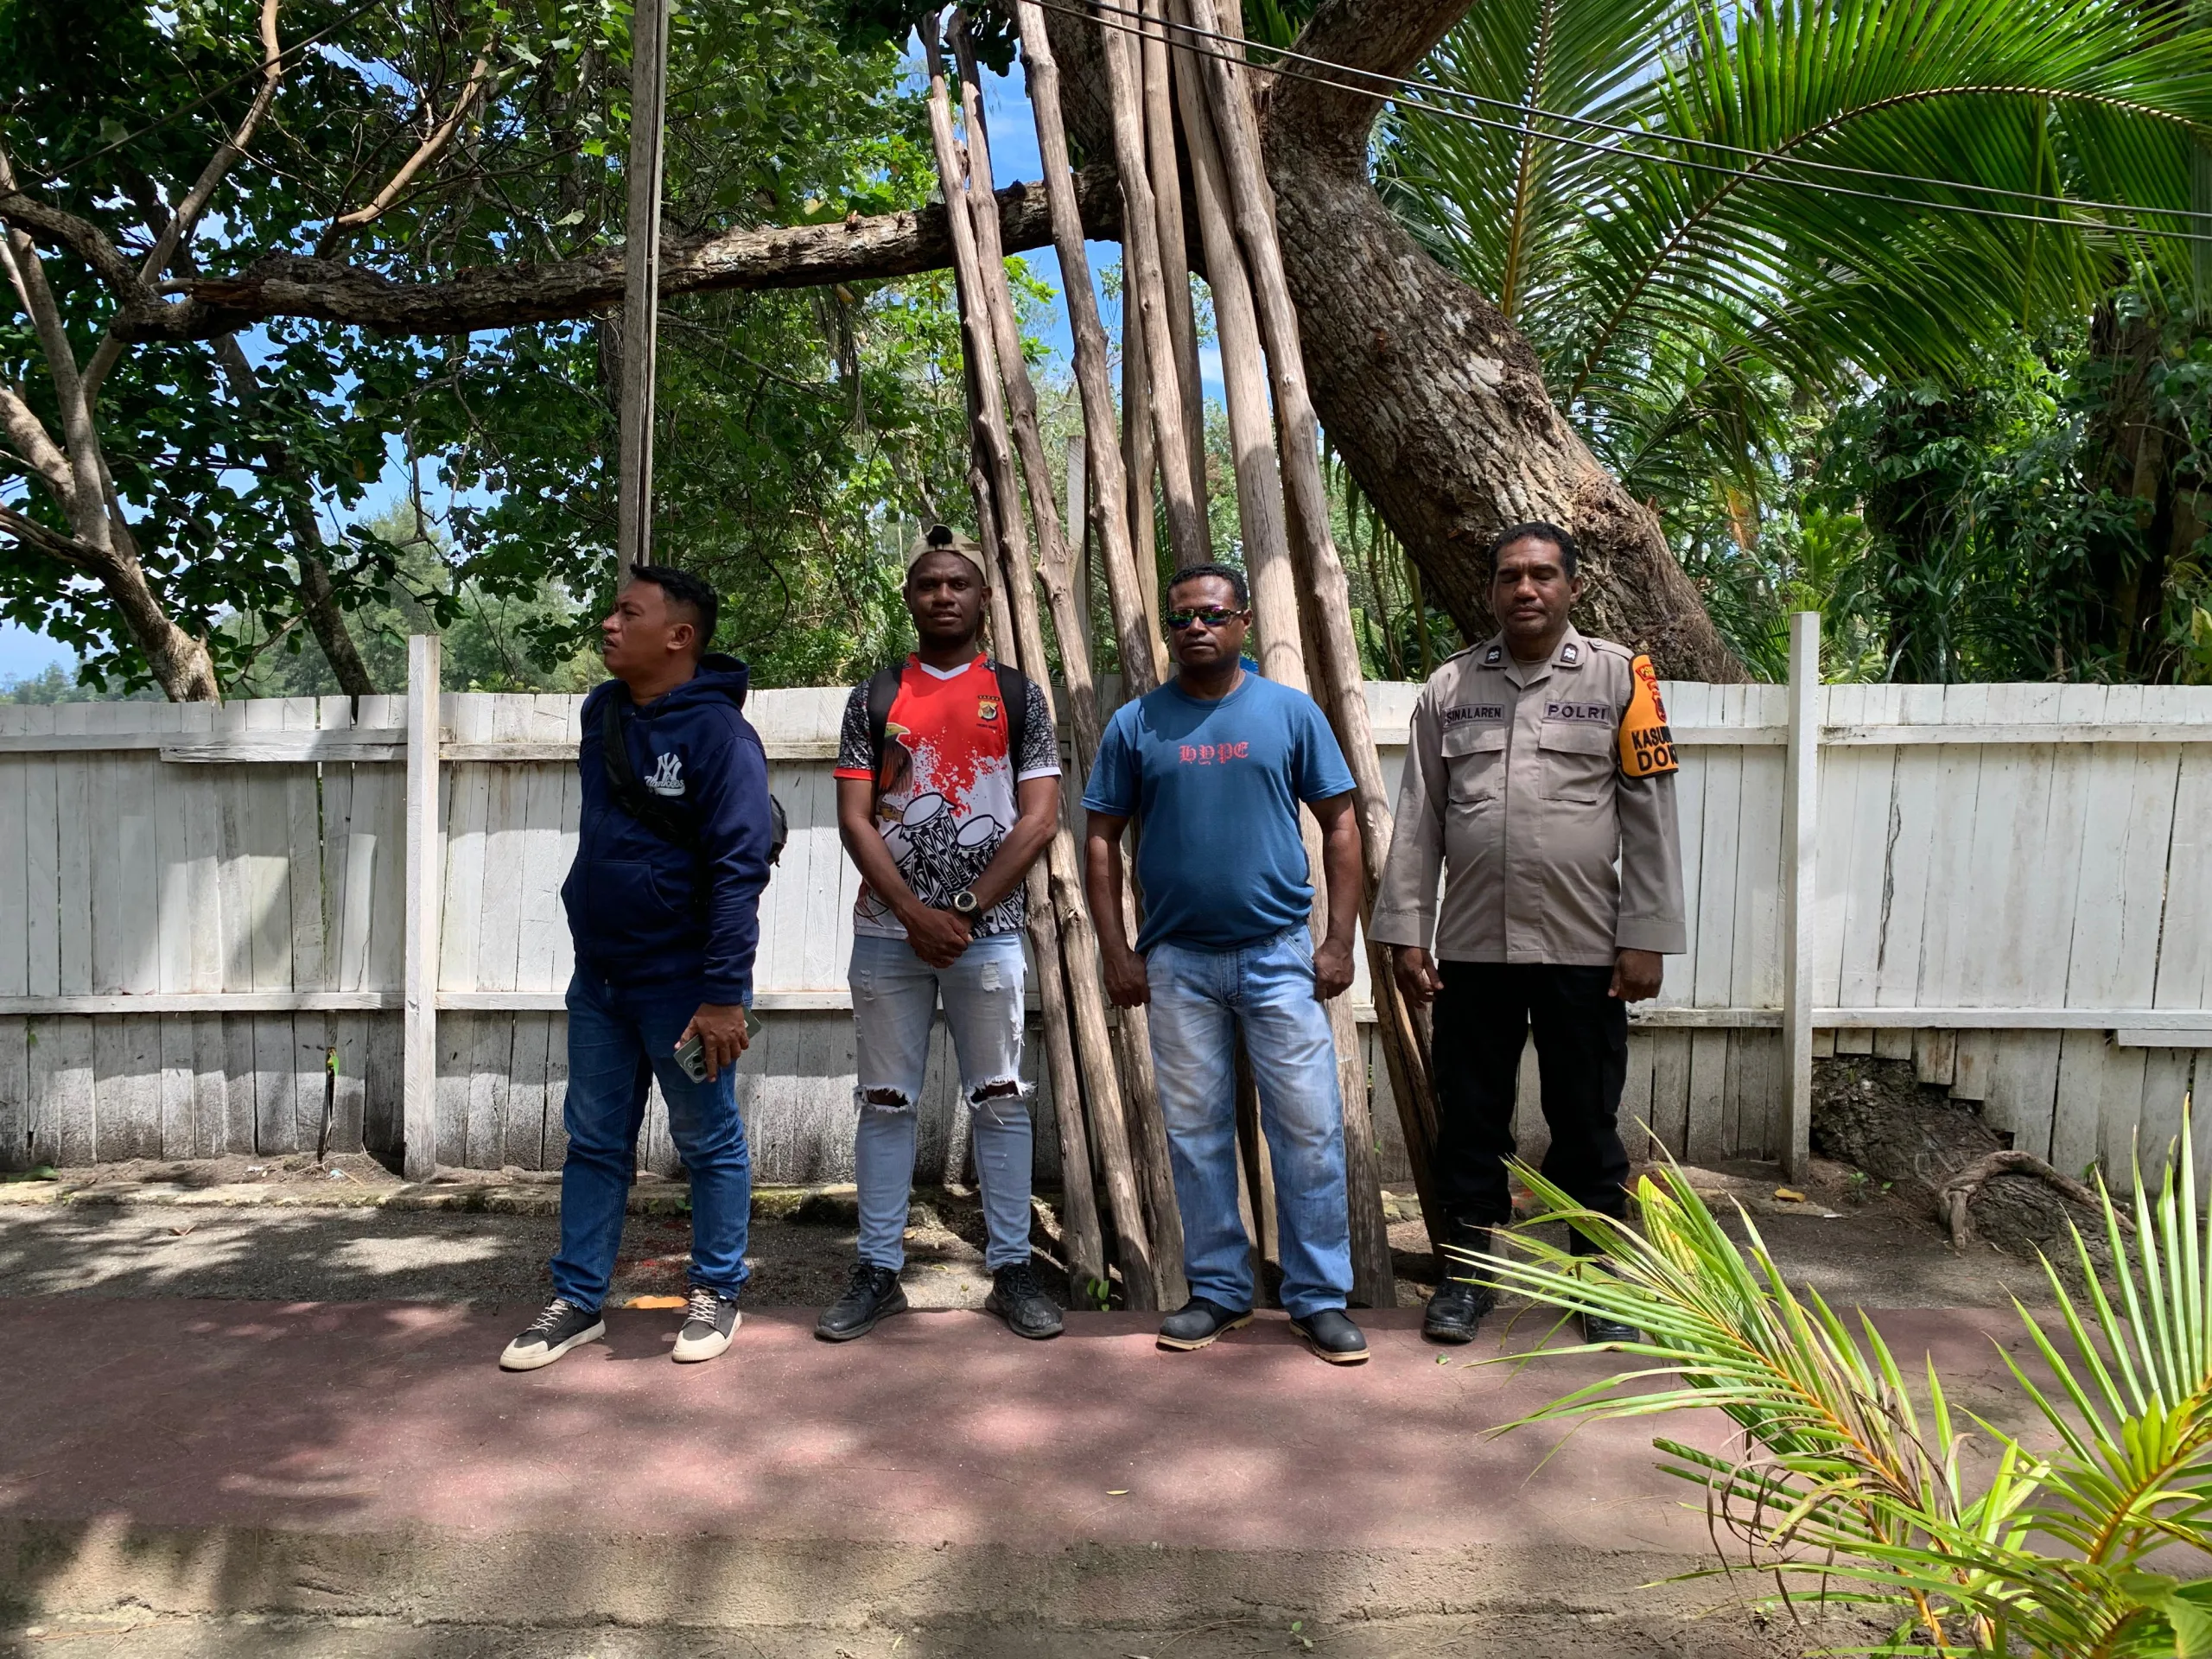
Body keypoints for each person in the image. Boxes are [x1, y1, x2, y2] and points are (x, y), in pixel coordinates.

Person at [1370, 522, 1686, 1346]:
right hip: (1473, 949)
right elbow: (1421, 819)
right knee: (1472, 1118)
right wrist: (1407, 932)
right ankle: (1469, 1279)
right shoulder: (1449, 689)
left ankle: (1600, 1285)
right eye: (1510, 576)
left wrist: (1645, 934)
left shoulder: (1624, 680)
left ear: (1571, 586)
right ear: (1491, 591)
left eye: (1543, 574)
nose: (1526, 589)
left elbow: (1650, 820)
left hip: (1586, 949)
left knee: (1586, 1120)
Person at [1083, 563, 1370, 1365]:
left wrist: (1339, 938)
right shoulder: (1136, 724)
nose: (1196, 628)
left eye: (1211, 614)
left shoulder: (1289, 713)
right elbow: (1099, 839)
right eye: (1180, 619)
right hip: (1176, 963)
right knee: (1197, 1134)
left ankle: (1318, 1299)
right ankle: (1218, 1291)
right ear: (1168, 631)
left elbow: (1342, 825)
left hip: (1279, 954)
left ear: (1242, 622)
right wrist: (1118, 949)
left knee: (1309, 1131)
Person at [499, 564, 775, 1371]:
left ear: (679, 636)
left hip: (691, 989)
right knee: (592, 1141)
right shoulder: (605, 711)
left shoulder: (722, 737)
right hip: (602, 981)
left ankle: (718, 1289)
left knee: (707, 1139)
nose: (610, 625)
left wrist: (725, 996)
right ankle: (578, 1300)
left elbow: (738, 868)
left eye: (629, 613)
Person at [815, 524, 1065, 1343]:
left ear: (984, 598)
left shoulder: (1021, 695)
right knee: (884, 1103)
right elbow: (856, 820)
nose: (944, 596)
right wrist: (915, 913)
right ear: (911, 597)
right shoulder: (875, 696)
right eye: (929, 585)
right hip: (887, 934)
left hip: (985, 935)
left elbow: (1039, 821)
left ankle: (1013, 1270)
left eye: (959, 584)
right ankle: (879, 1271)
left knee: (998, 1098)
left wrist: (959, 909)